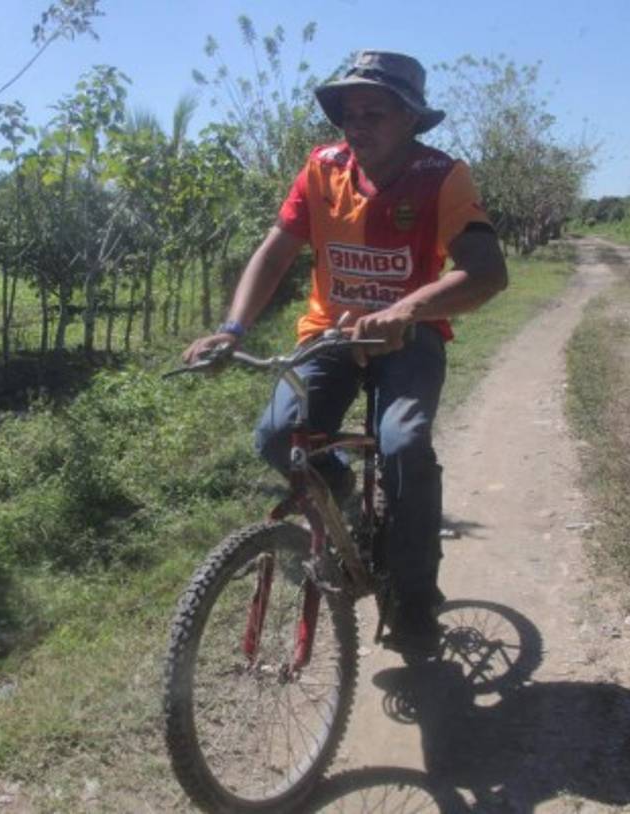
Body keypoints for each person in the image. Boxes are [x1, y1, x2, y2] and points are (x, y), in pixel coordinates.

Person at [183, 51, 508, 654]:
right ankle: (348, 505)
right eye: (347, 112)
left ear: (410, 117)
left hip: (411, 335)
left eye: (374, 111)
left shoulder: (442, 175)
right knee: (279, 437)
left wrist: (404, 312)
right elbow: (277, 251)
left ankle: (413, 599)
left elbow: (487, 273)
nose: (356, 124)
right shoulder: (321, 169)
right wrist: (233, 328)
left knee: (404, 444)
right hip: (330, 334)